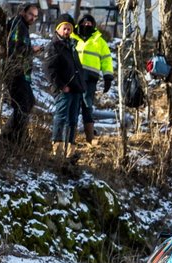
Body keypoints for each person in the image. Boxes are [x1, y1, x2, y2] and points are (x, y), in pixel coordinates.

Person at [45, 14, 86, 160]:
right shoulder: (54, 46)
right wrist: (61, 86)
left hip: (76, 89)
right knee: (61, 117)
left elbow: (76, 67)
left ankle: (70, 151)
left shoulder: (72, 45)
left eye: (69, 28)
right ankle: (57, 150)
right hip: (64, 90)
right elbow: (49, 69)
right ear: (58, 29)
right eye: (65, 28)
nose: (67, 31)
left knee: (73, 120)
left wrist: (81, 85)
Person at [1, 2, 43, 144]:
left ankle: (11, 134)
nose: (33, 18)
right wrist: (32, 50)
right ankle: (14, 137)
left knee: (28, 102)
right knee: (23, 104)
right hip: (14, 72)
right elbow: (14, 48)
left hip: (21, 73)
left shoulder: (23, 26)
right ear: (23, 12)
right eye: (31, 14)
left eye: (35, 16)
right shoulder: (18, 24)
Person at [71, 15, 114, 144]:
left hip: (90, 78)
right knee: (73, 105)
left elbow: (106, 59)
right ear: (80, 24)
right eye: (85, 23)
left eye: (90, 23)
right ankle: (69, 138)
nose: (87, 25)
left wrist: (108, 77)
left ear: (94, 25)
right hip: (74, 77)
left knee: (87, 104)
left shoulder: (99, 41)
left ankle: (90, 138)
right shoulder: (73, 38)